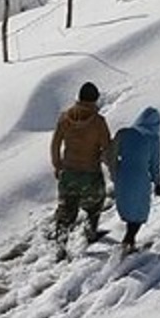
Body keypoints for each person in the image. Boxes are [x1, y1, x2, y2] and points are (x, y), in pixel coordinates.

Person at [50, 81, 114, 249]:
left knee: (66, 211)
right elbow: (107, 149)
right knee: (95, 204)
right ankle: (90, 232)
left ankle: (61, 243)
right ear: (95, 100)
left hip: (68, 172)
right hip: (90, 175)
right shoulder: (99, 122)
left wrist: (57, 165)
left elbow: (55, 144)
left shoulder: (65, 118)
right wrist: (113, 168)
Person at [111, 106, 160, 254]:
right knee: (139, 211)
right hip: (141, 177)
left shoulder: (127, 133)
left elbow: (114, 152)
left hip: (123, 175)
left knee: (128, 208)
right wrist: (157, 182)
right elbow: (154, 163)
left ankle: (128, 240)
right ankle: (129, 240)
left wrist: (115, 172)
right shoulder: (153, 138)